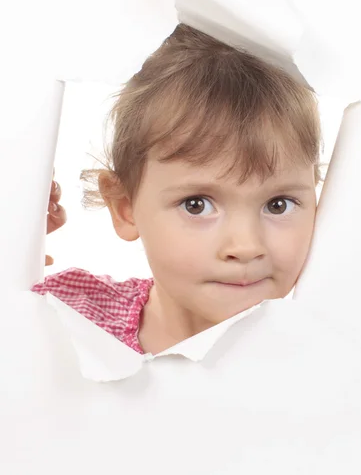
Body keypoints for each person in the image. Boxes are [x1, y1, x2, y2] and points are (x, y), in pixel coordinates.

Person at [32, 24, 323, 356]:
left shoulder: (327, 353)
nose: (245, 247)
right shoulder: (72, 318)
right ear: (125, 207)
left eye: (278, 204)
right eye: (197, 205)